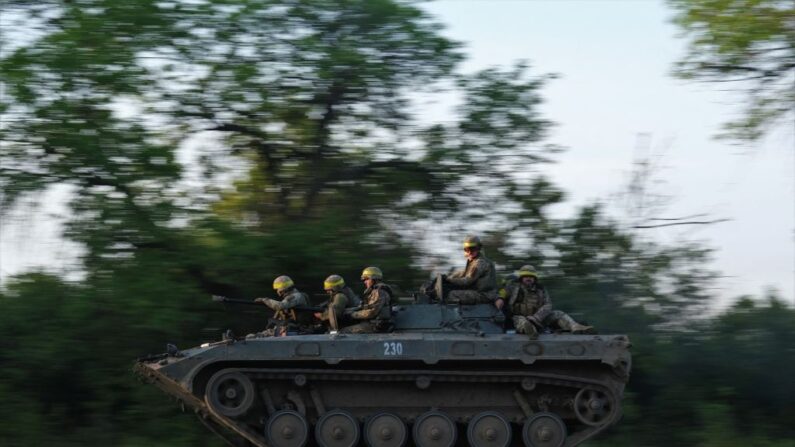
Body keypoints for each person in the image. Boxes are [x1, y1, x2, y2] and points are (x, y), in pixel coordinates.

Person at [500, 265, 593, 339]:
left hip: (539, 319)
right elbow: (500, 296)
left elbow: (548, 305)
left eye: (531, 277)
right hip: (519, 317)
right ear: (521, 278)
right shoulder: (512, 287)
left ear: (535, 278)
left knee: (558, 313)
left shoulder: (541, 289)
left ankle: (575, 327)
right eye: (526, 276)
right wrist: (500, 299)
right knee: (521, 321)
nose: (528, 278)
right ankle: (531, 330)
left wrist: (536, 318)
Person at [444, 235, 499, 305]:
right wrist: (448, 278)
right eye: (467, 249)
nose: (469, 252)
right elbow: (462, 273)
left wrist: (449, 280)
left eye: (472, 249)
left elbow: (467, 281)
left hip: (484, 295)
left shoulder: (480, 262)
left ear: (478, 248)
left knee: (451, 294)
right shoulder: (473, 262)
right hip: (482, 293)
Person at [340, 266, 392, 334]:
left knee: (343, 332)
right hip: (373, 322)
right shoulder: (374, 291)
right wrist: (347, 311)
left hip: (377, 325)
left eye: (367, 279)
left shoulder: (379, 292)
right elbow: (365, 307)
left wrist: (352, 315)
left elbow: (372, 312)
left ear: (374, 279)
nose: (365, 282)